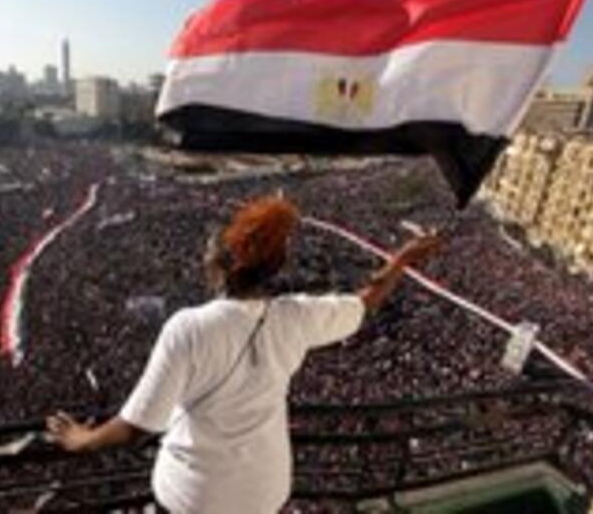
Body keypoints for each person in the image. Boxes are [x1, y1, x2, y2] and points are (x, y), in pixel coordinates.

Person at [46, 195, 441, 513]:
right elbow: (366, 301)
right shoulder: (297, 316)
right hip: (263, 494)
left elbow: (137, 427)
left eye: (206, 252)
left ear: (219, 265)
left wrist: (81, 439)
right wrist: (401, 261)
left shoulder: (189, 328)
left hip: (195, 499)